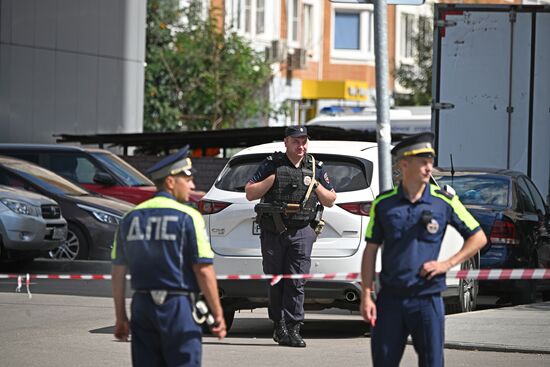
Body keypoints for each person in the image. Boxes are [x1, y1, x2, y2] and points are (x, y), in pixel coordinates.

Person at [360, 132, 487, 367]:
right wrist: (366, 296)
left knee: (432, 363)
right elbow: (370, 250)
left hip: (428, 299)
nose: (429, 168)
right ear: (404, 163)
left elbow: (478, 237)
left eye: (431, 161)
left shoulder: (444, 201)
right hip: (390, 300)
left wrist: (447, 264)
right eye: (423, 162)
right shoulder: (383, 203)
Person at [111, 146, 226, 367]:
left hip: (142, 306)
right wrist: (217, 314)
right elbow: (203, 269)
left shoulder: (129, 218)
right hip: (177, 306)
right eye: (187, 178)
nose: (192, 185)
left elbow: (118, 272)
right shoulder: (188, 216)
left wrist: (120, 317)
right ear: (171, 182)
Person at [245, 126, 337, 348]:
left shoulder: (314, 167)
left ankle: (294, 328)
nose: (301, 146)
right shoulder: (271, 164)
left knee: (296, 282)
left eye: (304, 141)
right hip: (274, 231)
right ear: (285, 142)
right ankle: (279, 326)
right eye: (296, 141)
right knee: (276, 280)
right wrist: (272, 179)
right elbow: (250, 193)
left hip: (302, 231)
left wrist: (315, 186)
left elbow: (331, 199)